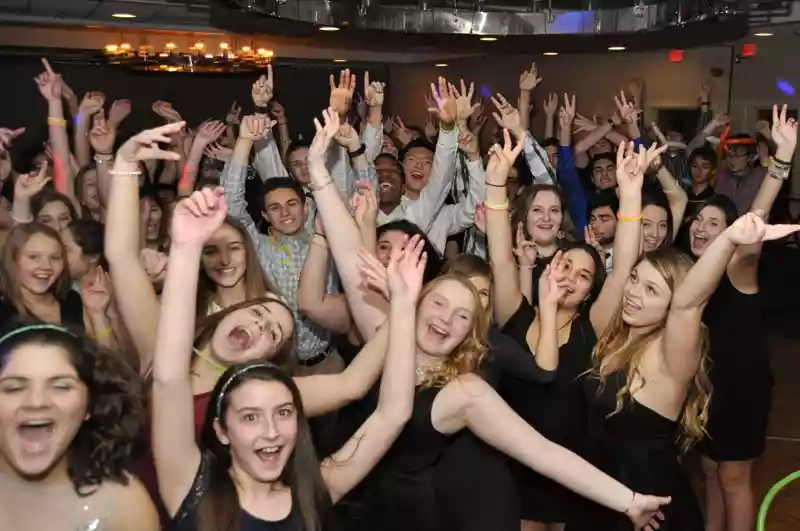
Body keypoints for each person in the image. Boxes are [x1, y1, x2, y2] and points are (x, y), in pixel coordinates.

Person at [152, 185, 424, 530]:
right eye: (250, 417)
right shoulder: (190, 491)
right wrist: (187, 247)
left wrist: (403, 305)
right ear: (221, 429)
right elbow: (169, 378)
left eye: (283, 413)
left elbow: (392, 414)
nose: (270, 431)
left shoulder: (313, 493)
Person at [0, 323, 158, 531]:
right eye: (14, 388)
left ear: (90, 405)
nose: (36, 402)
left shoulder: (125, 508)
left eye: (61, 387)